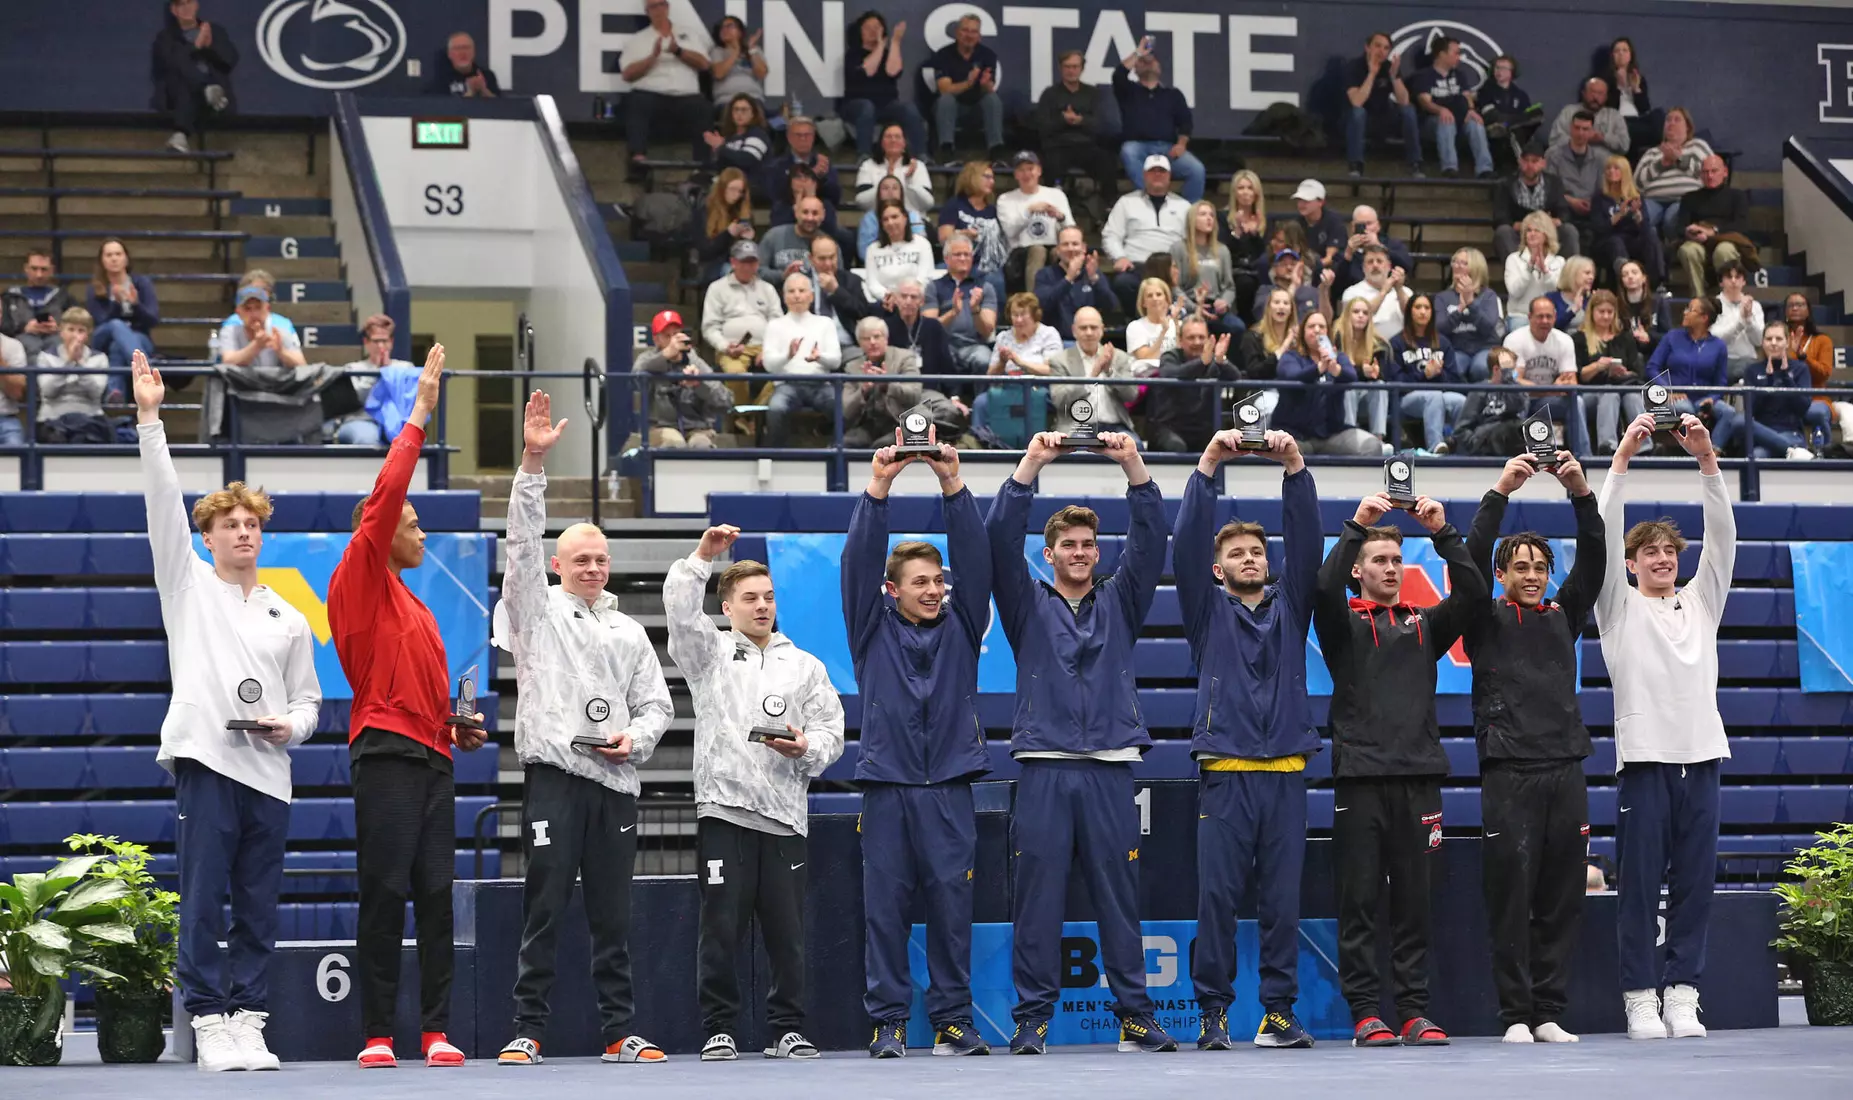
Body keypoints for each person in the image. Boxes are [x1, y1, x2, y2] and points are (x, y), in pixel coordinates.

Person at [130, 350, 317, 1072]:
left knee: (259, 907)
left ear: (261, 535)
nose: (242, 532)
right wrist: (151, 420)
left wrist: (291, 727)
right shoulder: (187, 586)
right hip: (207, 761)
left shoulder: (288, 615)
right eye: (228, 525)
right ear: (206, 539)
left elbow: (307, 701)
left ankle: (249, 1018)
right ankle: (209, 1017)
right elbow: (160, 504)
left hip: (269, 772)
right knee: (204, 899)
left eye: (250, 524)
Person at [494, 392, 673, 1068]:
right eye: (581, 560)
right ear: (558, 565)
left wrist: (638, 741)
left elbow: (657, 705)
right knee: (543, 908)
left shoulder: (629, 630)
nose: (592, 568)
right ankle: (526, 1030)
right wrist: (532, 465)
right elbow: (520, 545)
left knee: (613, 917)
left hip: (616, 784)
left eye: (600, 559)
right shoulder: (534, 613)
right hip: (555, 781)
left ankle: (620, 1032)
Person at [984, 430, 1178, 1056]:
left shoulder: (1122, 600)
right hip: (1043, 766)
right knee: (1037, 902)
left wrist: (1133, 464)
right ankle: (1032, 1020)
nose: (1079, 552)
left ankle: (1136, 1017)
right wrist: (1031, 463)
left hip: (1110, 767)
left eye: (1088, 544)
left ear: (1098, 552)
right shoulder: (1024, 602)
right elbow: (997, 538)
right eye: (1068, 544)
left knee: (1119, 900)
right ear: (1048, 554)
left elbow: (1151, 540)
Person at [330, 346, 482, 1070]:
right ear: (380, 527)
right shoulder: (358, 577)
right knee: (386, 892)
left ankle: (435, 1030)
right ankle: (376, 1035)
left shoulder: (418, 611)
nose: (421, 533)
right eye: (412, 523)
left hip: (433, 758)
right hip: (385, 754)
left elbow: (425, 700)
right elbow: (389, 489)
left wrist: (457, 727)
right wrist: (419, 413)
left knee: (436, 895)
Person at [663, 525, 845, 1061]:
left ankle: (787, 1028)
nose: (762, 606)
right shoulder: (709, 655)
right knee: (720, 927)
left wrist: (807, 748)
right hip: (725, 812)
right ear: (727, 607)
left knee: (787, 933)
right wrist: (702, 556)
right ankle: (719, 1026)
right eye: (750, 598)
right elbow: (680, 612)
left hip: (786, 817)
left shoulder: (805, 665)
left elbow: (831, 732)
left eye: (768, 597)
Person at [1313, 489, 1485, 1047]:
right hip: (1360, 780)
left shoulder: (1424, 624)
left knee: (1414, 902)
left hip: (1419, 779)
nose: (1390, 568)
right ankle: (1366, 1012)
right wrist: (1358, 524)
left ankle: (1413, 1011)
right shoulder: (1341, 623)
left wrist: (1442, 532)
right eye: (1379, 560)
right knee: (1359, 901)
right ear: (1358, 570)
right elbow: (1322, 588)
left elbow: (1474, 594)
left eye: (1396, 560)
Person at [1175, 428, 1320, 1050]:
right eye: (1236, 554)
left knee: (1282, 904)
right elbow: (1185, 543)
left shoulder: (1293, 606)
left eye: (1257, 552)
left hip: (1285, 773)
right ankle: (1213, 1012)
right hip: (1227, 773)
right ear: (1218, 569)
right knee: (1218, 901)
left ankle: (1278, 1012)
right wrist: (1208, 463)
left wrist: (1295, 468)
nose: (1250, 559)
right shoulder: (1205, 611)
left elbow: (1308, 541)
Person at [848, 435, 991, 1057]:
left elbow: (977, 559)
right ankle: (889, 1021)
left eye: (938, 581)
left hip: (950, 787)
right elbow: (858, 561)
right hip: (887, 788)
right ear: (892, 590)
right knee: (885, 913)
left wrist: (951, 482)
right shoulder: (869, 629)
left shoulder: (964, 623)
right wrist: (879, 486)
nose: (933, 590)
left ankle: (953, 1021)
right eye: (919, 582)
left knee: (952, 912)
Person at [1597, 410, 1733, 1041]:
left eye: (1669, 551)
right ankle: (1639, 998)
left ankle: (1682, 994)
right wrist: (1623, 457)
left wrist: (1707, 459)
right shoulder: (1618, 608)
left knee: (1695, 886)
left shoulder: (1703, 601)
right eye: (1648, 551)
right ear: (1630, 565)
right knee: (1639, 887)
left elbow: (1723, 537)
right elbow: (1604, 532)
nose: (1661, 558)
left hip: (1702, 757)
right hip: (1645, 761)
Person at [1463, 450, 1603, 1045]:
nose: (1532, 575)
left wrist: (1580, 493)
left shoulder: (1564, 615)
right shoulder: (1482, 616)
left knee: (1561, 898)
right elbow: (1469, 556)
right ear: (1501, 575)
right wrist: (1501, 490)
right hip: (1508, 772)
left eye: (1540, 567)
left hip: (1565, 768)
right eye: (1520, 567)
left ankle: (1547, 1012)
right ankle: (1515, 1015)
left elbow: (1594, 559)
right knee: (1510, 898)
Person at [617, 0, 712, 173]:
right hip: (651, 94)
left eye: (661, 4)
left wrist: (678, 51)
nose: (658, 10)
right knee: (636, 101)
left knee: (703, 107)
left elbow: (704, 64)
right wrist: (652, 57)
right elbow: (627, 75)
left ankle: (702, 167)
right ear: (647, 12)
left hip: (686, 95)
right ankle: (638, 161)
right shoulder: (638, 39)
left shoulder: (689, 34)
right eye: (653, 7)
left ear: (668, 7)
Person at [1274, 310, 1381, 455]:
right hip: (1295, 434)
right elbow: (1292, 376)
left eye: (1321, 326)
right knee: (1284, 450)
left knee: (1371, 445)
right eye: (1311, 326)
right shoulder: (1290, 357)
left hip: (1332, 433)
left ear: (1328, 332)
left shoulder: (1338, 357)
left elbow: (1352, 376)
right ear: (1303, 332)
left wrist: (1335, 369)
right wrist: (1318, 369)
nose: (1317, 330)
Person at [1113, 40, 1205, 202]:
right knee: (1128, 151)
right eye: (1143, 62)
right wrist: (1138, 53)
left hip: (1167, 149)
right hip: (1138, 147)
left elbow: (1185, 123)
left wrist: (1181, 144)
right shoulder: (1129, 91)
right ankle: (1150, 200)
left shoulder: (1173, 94)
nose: (1148, 63)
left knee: (1196, 169)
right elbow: (1118, 75)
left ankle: (1190, 212)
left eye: (1152, 61)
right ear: (1135, 68)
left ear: (1159, 68)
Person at [761, 274, 843, 447]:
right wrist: (787, 356)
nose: (797, 295)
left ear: (811, 296)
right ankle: (774, 454)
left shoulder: (825, 323)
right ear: (784, 297)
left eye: (801, 290)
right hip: (787, 384)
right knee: (776, 409)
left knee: (840, 407)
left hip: (820, 384)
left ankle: (836, 451)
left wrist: (819, 357)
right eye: (791, 291)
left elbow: (836, 361)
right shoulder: (774, 325)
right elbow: (768, 365)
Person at [1644, 297, 1738, 447]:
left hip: (1702, 399)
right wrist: (1668, 389)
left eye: (1690, 310)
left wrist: (1712, 398)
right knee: (1685, 409)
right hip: (1674, 397)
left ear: (1704, 318)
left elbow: (1721, 382)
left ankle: (1713, 451)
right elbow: (1652, 367)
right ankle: (1696, 449)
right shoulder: (1672, 337)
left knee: (1729, 412)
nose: (1684, 312)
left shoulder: (1718, 346)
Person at [1103, 157, 1192, 314]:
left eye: (1162, 171)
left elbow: (1191, 241)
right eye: (1152, 171)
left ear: (1169, 176)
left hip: (1170, 267)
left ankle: (1171, 320)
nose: (1157, 174)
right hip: (1137, 265)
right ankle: (1138, 321)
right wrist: (1119, 257)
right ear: (1144, 175)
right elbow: (1111, 235)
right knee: (1123, 283)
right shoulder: (1126, 202)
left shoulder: (1183, 206)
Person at [1504, 297, 1590, 456]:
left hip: (1547, 401)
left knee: (1576, 401)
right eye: (1540, 316)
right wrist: (1552, 388)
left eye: (1548, 316)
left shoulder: (1564, 340)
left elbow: (1571, 382)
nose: (1544, 321)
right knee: (1518, 398)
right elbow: (1515, 381)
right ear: (1529, 317)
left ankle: (1583, 457)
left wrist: (1551, 390)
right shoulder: (1515, 340)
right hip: (1521, 401)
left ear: (1555, 317)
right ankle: (1513, 458)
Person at [636, 309, 733, 449]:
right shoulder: (646, 359)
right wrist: (665, 356)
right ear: (656, 340)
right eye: (667, 336)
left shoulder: (695, 361)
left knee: (701, 446)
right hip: (659, 427)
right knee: (675, 443)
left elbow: (726, 401)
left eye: (676, 334)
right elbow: (635, 380)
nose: (673, 341)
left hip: (697, 428)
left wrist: (699, 384)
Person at [972, 293, 1062, 439]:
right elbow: (990, 375)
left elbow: (1052, 370)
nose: (1019, 319)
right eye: (1015, 315)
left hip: (1039, 387)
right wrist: (1002, 362)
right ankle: (982, 443)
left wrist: (1020, 362)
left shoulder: (1049, 334)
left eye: (1023, 314)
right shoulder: (1003, 337)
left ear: (1034, 314)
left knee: (1036, 399)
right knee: (980, 402)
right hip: (1008, 387)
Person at [153, 0, 237, 153]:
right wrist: (195, 46)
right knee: (181, 74)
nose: (186, 8)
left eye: (189, 2)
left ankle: (180, 135)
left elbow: (229, 60)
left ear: (196, 5)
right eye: (181, 4)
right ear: (174, 10)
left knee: (201, 82)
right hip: (179, 96)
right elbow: (170, 63)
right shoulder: (166, 37)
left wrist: (208, 48)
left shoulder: (213, 31)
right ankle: (205, 88)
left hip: (217, 99)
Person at [701, 240, 782, 396]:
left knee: (784, 374)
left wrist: (769, 349)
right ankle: (741, 411)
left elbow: (777, 324)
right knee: (735, 374)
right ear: (733, 262)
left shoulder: (768, 289)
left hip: (763, 347)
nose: (747, 267)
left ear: (758, 264)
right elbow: (710, 328)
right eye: (743, 262)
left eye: (752, 262)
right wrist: (725, 346)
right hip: (732, 349)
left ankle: (755, 410)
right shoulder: (717, 288)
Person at [840, 13, 927, 158]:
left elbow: (893, 72)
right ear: (860, 31)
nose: (873, 31)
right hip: (855, 105)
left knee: (908, 108)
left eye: (877, 27)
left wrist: (895, 42)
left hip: (885, 105)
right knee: (867, 107)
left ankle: (922, 155)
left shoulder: (888, 53)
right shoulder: (853, 54)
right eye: (868, 28)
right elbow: (868, 71)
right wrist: (880, 44)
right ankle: (864, 155)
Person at [1148, 318, 1240, 453]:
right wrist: (1201, 362)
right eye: (1191, 337)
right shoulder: (1170, 356)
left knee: (1224, 447)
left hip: (1202, 428)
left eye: (1201, 337)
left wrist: (1221, 360)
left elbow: (1236, 377)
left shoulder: (1213, 361)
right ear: (1180, 340)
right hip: (1171, 427)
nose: (1197, 342)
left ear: (1208, 339)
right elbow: (1169, 374)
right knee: (1176, 446)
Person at [1407, 36, 1494, 178]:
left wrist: (1471, 110)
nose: (1459, 57)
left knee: (1475, 123)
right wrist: (1441, 110)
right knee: (1446, 121)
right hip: (1432, 121)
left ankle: (1485, 169)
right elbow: (1425, 102)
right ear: (1442, 54)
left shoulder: (1459, 75)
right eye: (1456, 53)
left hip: (1459, 118)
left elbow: (1467, 96)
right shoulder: (1424, 75)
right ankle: (1449, 168)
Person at [1389, 293, 1465, 454]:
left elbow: (1455, 380)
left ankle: (1461, 447)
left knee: (1460, 401)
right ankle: (1435, 447)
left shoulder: (1442, 342)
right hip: (1407, 399)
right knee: (1433, 396)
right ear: (1410, 311)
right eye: (1418, 307)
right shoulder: (1397, 343)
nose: (1423, 311)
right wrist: (1424, 375)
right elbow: (1396, 380)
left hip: (1439, 394)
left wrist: (1439, 373)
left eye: (1427, 307)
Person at [1048, 307, 1139, 436]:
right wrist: (1091, 377)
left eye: (1093, 327)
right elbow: (1059, 400)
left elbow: (1131, 395)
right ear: (1074, 331)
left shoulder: (1119, 357)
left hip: (1116, 427)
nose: (1089, 332)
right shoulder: (1060, 360)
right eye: (1083, 328)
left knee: (1134, 445)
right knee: (1080, 447)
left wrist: (1110, 372)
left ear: (1102, 329)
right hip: (1078, 428)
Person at [1342, 31, 1422, 177]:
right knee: (1358, 112)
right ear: (1367, 48)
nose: (1381, 51)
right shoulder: (1354, 67)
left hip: (1384, 117)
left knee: (1409, 110)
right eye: (1377, 46)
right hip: (1361, 121)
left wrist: (1394, 77)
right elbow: (1357, 102)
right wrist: (1372, 74)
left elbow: (1404, 101)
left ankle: (1415, 164)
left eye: (1386, 48)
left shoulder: (1389, 67)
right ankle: (1355, 165)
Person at [84, 238, 159, 394]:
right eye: (109, 255)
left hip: (139, 337)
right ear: (102, 260)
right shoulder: (95, 287)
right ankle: (146, 371)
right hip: (103, 337)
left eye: (118, 254)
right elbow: (99, 321)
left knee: (117, 347)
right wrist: (116, 304)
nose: (114, 258)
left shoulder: (141, 283)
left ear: (126, 258)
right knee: (116, 325)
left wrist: (136, 305)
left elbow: (153, 320)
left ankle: (116, 395)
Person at [1577, 290, 1647, 454]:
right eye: (1601, 312)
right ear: (1592, 312)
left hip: (1623, 388)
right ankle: (1608, 446)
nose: (1606, 316)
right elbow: (1579, 375)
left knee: (1632, 396)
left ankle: (1645, 447)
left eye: (1610, 312)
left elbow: (1637, 374)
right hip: (1590, 393)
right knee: (1610, 393)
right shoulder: (1579, 338)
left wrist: (1624, 373)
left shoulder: (1625, 337)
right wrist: (1598, 366)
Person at [1741, 322, 1825, 459]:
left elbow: (1803, 408)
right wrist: (1768, 382)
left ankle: (1791, 449)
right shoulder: (1752, 370)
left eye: (1779, 339)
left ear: (1787, 343)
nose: (1773, 343)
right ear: (1762, 343)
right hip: (1763, 433)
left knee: (1758, 454)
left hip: (1791, 432)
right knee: (1740, 422)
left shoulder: (1800, 369)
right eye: (1769, 339)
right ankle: (1794, 451)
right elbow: (1751, 409)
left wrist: (1786, 378)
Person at [1669, 156, 1749, 296]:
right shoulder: (1689, 198)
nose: (1710, 176)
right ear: (1701, 175)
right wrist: (1690, 233)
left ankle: (1727, 297)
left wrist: (1713, 232)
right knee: (1688, 250)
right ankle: (1698, 298)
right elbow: (1680, 228)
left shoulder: (1737, 196)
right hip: (1697, 242)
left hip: (1726, 240)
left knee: (1724, 250)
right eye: (1705, 172)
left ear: (1725, 172)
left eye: (1714, 171)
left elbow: (1741, 225)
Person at [1035, 51, 1116, 187]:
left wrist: (1080, 121)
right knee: (1051, 163)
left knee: (1107, 161)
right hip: (1058, 147)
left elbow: (1101, 125)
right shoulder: (1049, 94)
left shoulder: (1093, 93)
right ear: (1060, 68)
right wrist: (1063, 120)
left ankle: (1109, 200)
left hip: (1087, 147)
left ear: (1082, 68)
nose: (1071, 71)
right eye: (1067, 67)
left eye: (1075, 67)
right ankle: (1053, 198)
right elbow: (1042, 126)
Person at [996, 152, 1075, 292]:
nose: (1026, 174)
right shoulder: (1005, 199)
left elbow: (1072, 229)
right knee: (1038, 250)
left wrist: (1060, 217)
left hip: (1052, 246)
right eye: (1021, 170)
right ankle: (1033, 300)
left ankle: (1065, 297)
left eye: (1030, 169)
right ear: (1015, 175)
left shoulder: (1056, 195)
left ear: (1039, 171)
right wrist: (1029, 211)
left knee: (1061, 252)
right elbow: (1010, 231)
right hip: (1020, 253)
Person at [841, 316, 924, 448]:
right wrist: (863, 390)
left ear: (886, 338)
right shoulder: (852, 367)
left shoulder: (904, 358)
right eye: (866, 339)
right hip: (868, 425)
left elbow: (914, 394)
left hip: (898, 422)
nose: (872, 342)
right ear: (859, 343)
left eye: (876, 336)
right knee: (843, 445)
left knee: (881, 446)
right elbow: (846, 410)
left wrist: (888, 384)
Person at [929, 14, 1005, 159]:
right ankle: (946, 149)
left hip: (977, 109)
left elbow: (989, 88)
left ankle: (997, 150)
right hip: (953, 110)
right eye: (965, 30)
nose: (969, 35)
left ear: (979, 36)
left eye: (974, 32)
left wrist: (985, 84)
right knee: (946, 100)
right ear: (957, 33)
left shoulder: (987, 55)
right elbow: (944, 89)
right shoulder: (943, 54)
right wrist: (968, 83)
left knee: (992, 99)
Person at [923, 236, 1000, 376]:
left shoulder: (984, 287)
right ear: (946, 259)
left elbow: (987, 331)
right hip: (945, 346)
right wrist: (953, 312)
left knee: (984, 360)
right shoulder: (934, 287)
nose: (963, 258)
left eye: (967, 254)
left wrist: (975, 310)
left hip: (974, 346)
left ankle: (981, 392)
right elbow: (928, 329)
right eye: (958, 254)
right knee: (938, 359)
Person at [34, 307, 112, 444]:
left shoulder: (99, 358)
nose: (75, 335)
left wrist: (79, 364)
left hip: (90, 418)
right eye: (71, 329)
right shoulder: (46, 357)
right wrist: (68, 362)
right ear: (61, 331)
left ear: (87, 334)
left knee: (85, 437)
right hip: (52, 419)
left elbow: (95, 393)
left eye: (81, 330)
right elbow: (48, 391)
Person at [1493, 140, 1581, 261]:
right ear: (1520, 162)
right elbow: (1500, 217)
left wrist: (1553, 222)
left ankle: (1569, 271)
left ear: (1543, 163)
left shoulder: (1554, 183)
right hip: (1520, 234)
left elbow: (1564, 212)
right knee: (1503, 232)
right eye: (1526, 161)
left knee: (1569, 231)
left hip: (1548, 233)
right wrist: (1526, 225)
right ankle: (1517, 269)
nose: (1530, 166)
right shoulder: (1506, 185)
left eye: (1534, 161)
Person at [1633, 108, 1711, 235]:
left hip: (1684, 199)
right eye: (1668, 120)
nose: (1671, 123)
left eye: (1677, 120)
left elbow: (1710, 174)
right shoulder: (1652, 152)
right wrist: (1660, 165)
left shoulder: (1698, 146)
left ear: (1687, 127)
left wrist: (1679, 159)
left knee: (1671, 220)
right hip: (1653, 199)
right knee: (1640, 220)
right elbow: (1637, 183)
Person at [1036, 226, 1121, 340]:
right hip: (1056, 341)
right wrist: (1068, 279)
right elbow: (1042, 305)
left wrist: (1094, 279)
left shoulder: (1093, 273)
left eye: (1075, 244)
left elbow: (1111, 306)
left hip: (1089, 340)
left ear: (1083, 248)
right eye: (1065, 244)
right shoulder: (1045, 274)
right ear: (1058, 249)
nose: (1070, 248)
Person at [329, 314, 402, 446]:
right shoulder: (352, 369)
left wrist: (387, 371)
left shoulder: (405, 368)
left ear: (391, 342)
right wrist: (376, 373)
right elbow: (357, 402)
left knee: (410, 440)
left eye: (384, 341)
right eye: (376, 341)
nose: (381, 346)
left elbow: (405, 400)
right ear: (366, 342)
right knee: (367, 440)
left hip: (395, 420)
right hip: (360, 420)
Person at [1592, 155, 1666, 287]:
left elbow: (1645, 227)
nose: (1611, 171)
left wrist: (1637, 214)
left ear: (1624, 172)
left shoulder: (1635, 196)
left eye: (1616, 168)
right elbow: (1599, 228)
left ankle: (1657, 283)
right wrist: (1619, 214)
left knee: (1651, 235)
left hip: (1631, 240)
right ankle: (1626, 281)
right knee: (1616, 241)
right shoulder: (1599, 197)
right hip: (1607, 241)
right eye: (1608, 168)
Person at [1784, 294, 1843, 452]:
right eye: (1791, 305)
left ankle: (1826, 452)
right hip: (1786, 397)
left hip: (1816, 398)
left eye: (1800, 304)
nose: (1795, 308)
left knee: (1817, 412)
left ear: (1808, 311)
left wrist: (1803, 356)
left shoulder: (1822, 340)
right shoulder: (1779, 339)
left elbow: (1824, 373)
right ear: (1785, 311)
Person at [1173, 201, 1243, 336]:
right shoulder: (1179, 248)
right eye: (1203, 214)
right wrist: (1194, 307)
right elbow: (1174, 286)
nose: (1209, 218)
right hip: (1189, 305)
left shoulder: (1222, 250)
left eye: (1211, 215)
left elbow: (1229, 287)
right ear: (1192, 220)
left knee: (1237, 327)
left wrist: (1225, 302)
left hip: (1214, 306)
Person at [1435, 247, 1504, 382]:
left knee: (1480, 368)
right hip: (1456, 348)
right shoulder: (1442, 297)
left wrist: (1471, 304)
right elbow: (1439, 329)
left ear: (1476, 268)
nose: (1457, 266)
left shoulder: (1488, 296)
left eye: (1464, 263)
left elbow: (1488, 327)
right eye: (1455, 262)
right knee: (1454, 368)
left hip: (1484, 348)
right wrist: (1460, 310)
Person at [761, 196, 852, 291]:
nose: (810, 218)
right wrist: (782, 275)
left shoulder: (829, 244)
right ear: (796, 212)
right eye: (805, 212)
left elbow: (840, 278)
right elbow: (758, 272)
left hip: (819, 296)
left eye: (815, 213)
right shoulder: (774, 236)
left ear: (823, 215)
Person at [1546, 112, 1606, 248]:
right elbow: (1549, 189)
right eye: (1577, 128)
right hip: (1563, 210)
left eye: (1585, 129)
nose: (1580, 133)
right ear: (1570, 128)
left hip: (1591, 211)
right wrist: (1572, 201)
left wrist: (1591, 203)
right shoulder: (1554, 155)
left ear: (1592, 131)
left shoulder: (1600, 159)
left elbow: (1602, 190)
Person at [1336, 295, 1392, 440]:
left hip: (1367, 397)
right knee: (1349, 387)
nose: (1361, 316)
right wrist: (1362, 372)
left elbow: (1384, 375)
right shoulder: (1337, 338)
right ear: (1347, 315)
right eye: (1356, 312)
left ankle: (1378, 439)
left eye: (1365, 313)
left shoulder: (1379, 344)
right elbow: (1338, 373)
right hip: (1341, 397)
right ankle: (1350, 438)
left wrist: (1375, 373)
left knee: (1379, 385)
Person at [762, 116, 842, 217]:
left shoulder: (823, 163)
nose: (803, 139)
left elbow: (835, 197)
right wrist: (811, 175)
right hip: (787, 213)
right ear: (789, 137)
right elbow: (774, 194)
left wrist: (821, 178)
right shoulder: (776, 165)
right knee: (780, 208)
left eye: (807, 135)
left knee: (827, 207)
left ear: (813, 137)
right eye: (798, 135)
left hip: (818, 215)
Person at [939, 161, 1008, 278]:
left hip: (989, 265)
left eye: (992, 178)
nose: (992, 181)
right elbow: (944, 238)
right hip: (959, 261)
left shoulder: (993, 210)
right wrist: (963, 234)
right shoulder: (955, 205)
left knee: (995, 279)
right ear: (972, 178)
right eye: (987, 177)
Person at [219, 285, 305, 375]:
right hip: (239, 383)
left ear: (268, 309)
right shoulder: (230, 331)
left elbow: (302, 365)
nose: (254, 314)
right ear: (238, 313)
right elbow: (228, 362)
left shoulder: (279, 331)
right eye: (247, 309)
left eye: (258, 307)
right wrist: (256, 345)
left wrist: (281, 351)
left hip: (273, 382)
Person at [2, 249, 71, 359]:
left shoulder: (64, 296)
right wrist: (24, 328)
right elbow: (3, 326)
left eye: (44, 269)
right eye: (34, 269)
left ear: (52, 270)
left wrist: (59, 328)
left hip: (55, 342)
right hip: (21, 345)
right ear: (26, 268)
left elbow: (77, 324)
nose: (39, 275)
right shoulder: (9, 296)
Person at [1238, 287, 1297, 416]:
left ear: (1291, 309)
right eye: (1276, 302)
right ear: (1268, 307)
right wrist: (1282, 349)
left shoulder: (1298, 339)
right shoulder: (1253, 336)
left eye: (1286, 303)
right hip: (1261, 391)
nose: (1281, 306)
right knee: (1273, 406)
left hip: (1291, 391)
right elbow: (1255, 372)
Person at [1599, 37, 1662, 154]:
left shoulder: (1638, 78)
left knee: (1659, 114)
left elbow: (1645, 109)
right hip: (1619, 122)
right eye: (1617, 51)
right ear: (1612, 56)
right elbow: (1610, 109)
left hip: (1638, 121)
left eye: (1625, 50)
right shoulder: (1605, 80)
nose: (1621, 54)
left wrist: (1636, 89)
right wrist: (1618, 86)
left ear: (1630, 55)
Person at [865, 201, 937, 301]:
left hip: (916, 301)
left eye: (894, 217)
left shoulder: (922, 244)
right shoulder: (872, 249)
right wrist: (891, 298)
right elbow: (872, 284)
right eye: (885, 219)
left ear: (905, 218)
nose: (890, 222)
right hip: (886, 302)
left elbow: (925, 277)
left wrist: (907, 297)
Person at [855, 124, 936, 213]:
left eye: (897, 137)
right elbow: (861, 202)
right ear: (881, 143)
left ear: (904, 143)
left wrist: (909, 182)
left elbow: (928, 203)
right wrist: (886, 183)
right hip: (877, 217)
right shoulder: (868, 165)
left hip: (912, 218)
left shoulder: (918, 166)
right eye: (888, 137)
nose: (893, 140)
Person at [1219, 171, 1269, 315]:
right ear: (1234, 193)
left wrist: (1254, 235)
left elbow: (1264, 253)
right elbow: (1223, 250)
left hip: (1257, 272)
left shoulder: (1264, 220)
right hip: (1233, 270)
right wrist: (1237, 233)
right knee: (1245, 283)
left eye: (1250, 188)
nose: (1245, 192)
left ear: (1256, 193)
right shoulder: (1222, 218)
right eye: (1241, 188)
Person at [1503, 214, 1564, 330]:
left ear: (1546, 234)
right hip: (1520, 316)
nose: (1532, 234)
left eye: (1537, 230)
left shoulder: (1559, 261)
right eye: (1529, 230)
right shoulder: (1513, 259)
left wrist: (1545, 272)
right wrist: (1530, 267)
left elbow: (1557, 290)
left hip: (1548, 317)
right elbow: (1515, 292)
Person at [810, 235, 874, 346]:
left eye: (832, 257)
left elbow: (862, 312)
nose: (828, 263)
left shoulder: (851, 280)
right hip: (812, 344)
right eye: (822, 258)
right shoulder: (802, 281)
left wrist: (836, 290)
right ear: (811, 258)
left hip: (846, 343)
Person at [1340, 245, 1411, 343]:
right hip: (1365, 346)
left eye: (1379, 261)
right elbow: (1361, 316)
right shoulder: (1351, 292)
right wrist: (1383, 292)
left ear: (1389, 266)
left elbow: (1412, 315)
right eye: (1370, 262)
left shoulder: (1405, 292)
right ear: (1363, 268)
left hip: (1401, 347)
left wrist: (1399, 289)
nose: (1375, 265)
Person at [1335, 205, 1414, 291]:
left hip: (1389, 291)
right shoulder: (1345, 248)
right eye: (1360, 225)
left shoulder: (1392, 244)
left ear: (1378, 225)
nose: (1365, 228)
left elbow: (1407, 265)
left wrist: (1379, 246)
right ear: (1353, 227)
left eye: (1369, 223)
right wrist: (1348, 256)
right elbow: (1337, 285)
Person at [1709, 261, 1764, 381]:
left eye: (1738, 277)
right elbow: (1715, 339)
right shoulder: (1712, 305)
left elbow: (1759, 341)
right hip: (1720, 360)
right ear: (1721, 282)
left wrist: (1749, 320)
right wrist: (1741, 323)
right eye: (1729, 277)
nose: (1733, 281)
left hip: (1748, 360)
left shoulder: (1755, 306)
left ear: (1744, 281)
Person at [856, 174, 929, 261]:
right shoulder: (869, 219)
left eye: (895, 188)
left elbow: (921, 246)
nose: (890, 192)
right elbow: (863, 252)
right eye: (885, 188)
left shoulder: (913, 216)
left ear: (901, 193)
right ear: (879, 193)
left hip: (911, 261)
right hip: (880, 261)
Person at [1549, 78, 1628, 155]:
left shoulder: (1614, 116)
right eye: (1592, 92)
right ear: (1583, 93)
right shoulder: (1568, 112)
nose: (1595, 97)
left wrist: (1602, 138)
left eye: (1600, 93)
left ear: (1606, 97)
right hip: (1572, 160)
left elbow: (1624, 146)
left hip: (1605, 162)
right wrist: (1579, 139)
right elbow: (1554, 141)